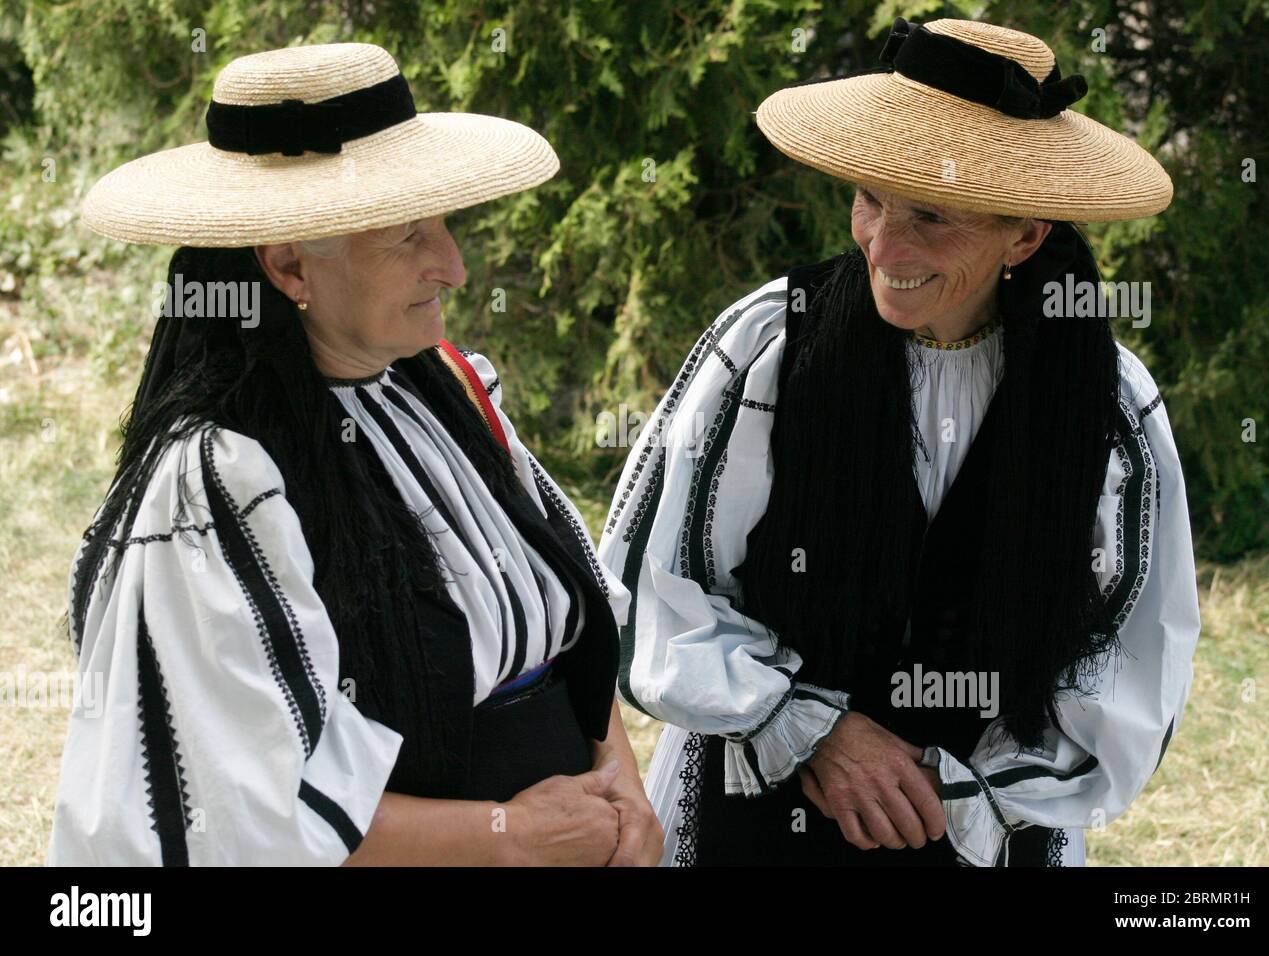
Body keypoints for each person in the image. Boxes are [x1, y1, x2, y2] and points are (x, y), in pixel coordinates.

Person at [599, 17, 1199, 866]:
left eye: (932, 217)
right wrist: (811, 727)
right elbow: (652, 585)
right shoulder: (770, 349)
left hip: (989, 831)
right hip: (758, 812)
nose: (884, 244)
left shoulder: (1107, 405)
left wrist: (959, 792)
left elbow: (1134, 652)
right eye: (871, 198)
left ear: (1023, 236)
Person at [48, 41, 661, 866]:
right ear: (290, 262)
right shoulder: (221, 483)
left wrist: (618, 776)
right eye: (409, 236)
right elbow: (257, 807)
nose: (454, 266)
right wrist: (509, 838)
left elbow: (556, 621)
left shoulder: (445, 390)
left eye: (444, 224)